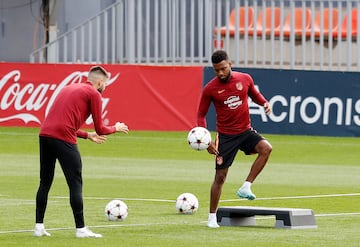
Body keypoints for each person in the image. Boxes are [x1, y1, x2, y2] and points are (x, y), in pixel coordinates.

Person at [34, 65, 129, 238]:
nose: (105, 87)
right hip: (63, 139)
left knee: (45, 182)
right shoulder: (94, 94)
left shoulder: (69, 87)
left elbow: (58, 122)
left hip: (45, 135)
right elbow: (101, 128)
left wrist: (86, 135)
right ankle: (81, 229)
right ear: (99, 82)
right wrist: (116, 127)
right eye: (105, 84)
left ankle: (38, 227)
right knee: (75, 184)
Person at [197, 50, 272, 228]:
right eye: (217, 70)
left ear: (230, 63)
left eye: (223, 68)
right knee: (220, 177)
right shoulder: (210, 89)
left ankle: (246, 186)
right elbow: (201, 114)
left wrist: (264, 103)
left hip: (245, 132)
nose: (220, 73)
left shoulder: (244, 78)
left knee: (266, 148)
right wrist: (207, 140)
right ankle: (212, 218)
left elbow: (253, 93)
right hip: (226, 137)